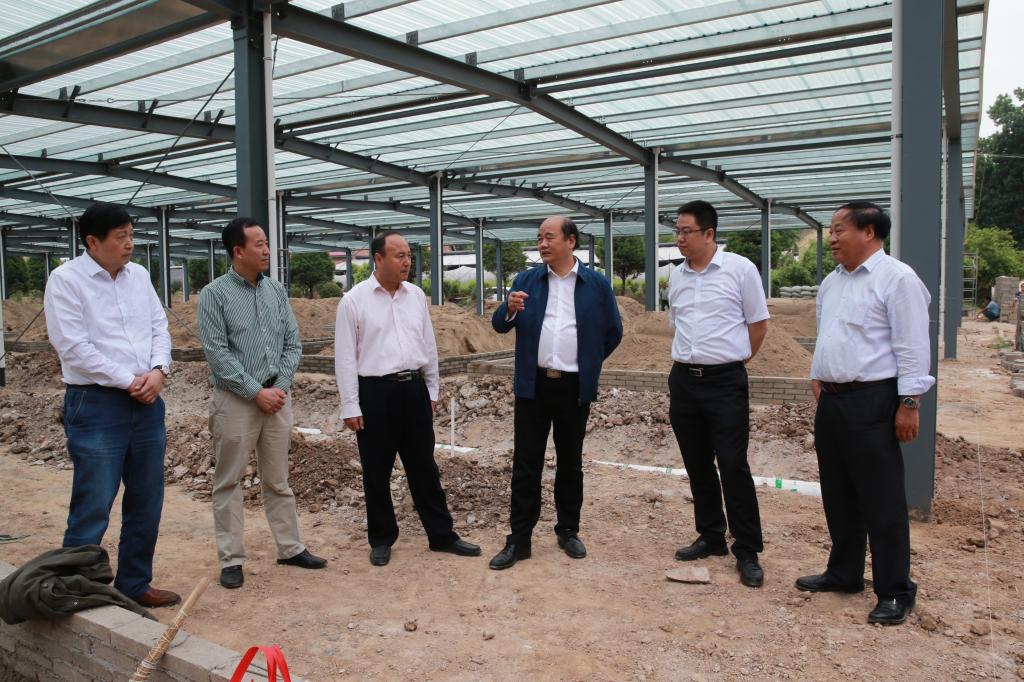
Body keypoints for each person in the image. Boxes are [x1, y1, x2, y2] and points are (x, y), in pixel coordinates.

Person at [802, 201, 934, 626]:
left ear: (870, 232)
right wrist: (818, 374)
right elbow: (827, 332)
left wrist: (909, 403)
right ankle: (844, 573)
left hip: (873, 400)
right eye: (831, 230)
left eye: (839, 229)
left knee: (881, 500)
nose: (832, 238)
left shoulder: (897, 279)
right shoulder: (832, 282)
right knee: (838, 492)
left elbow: (912, 346)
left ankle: (895, 591)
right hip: (833, 401)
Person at [43, 202, 179, 608]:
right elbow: (73, 346)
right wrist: (129, 380)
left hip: (147, 402)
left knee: (146, 498)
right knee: (94, 500)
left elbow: (159, 326)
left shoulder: (139, 276)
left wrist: (159, 370)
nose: (129, 244)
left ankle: (134, 582)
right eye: (121, 237)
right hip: (97, 402)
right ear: (92, 242)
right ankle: (77, 588)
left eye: (131, 235)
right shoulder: (66, 280)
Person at [334, 231, 481, 566]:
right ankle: (381, 538)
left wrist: (432, 388)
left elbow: (428, 344)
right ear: (378, 259)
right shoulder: (353, 301)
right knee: (376, 471)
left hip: (414, 391)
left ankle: (442, 535)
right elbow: (345, 358)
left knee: (424, 467)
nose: (407, 262)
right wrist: (350, 404)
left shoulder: (415, 296)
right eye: (399, 256)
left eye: (408, 256)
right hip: (375, 393)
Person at [198, 218, 326, 589]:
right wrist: (256, 391)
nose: (267, 250)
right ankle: (232, 559)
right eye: (259, 244)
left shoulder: (276, 291)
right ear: (238, 251)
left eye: (266, 243)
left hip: (277, 399)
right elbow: (217, 354)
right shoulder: (214, 295)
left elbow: (293, 344)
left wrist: (279, 387)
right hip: (236, 401)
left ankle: (290, 548)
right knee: (229, 481)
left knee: (278, 479)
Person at [488, 217, 622, 570]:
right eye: (539, 238)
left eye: (549, 237)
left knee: (570, 463)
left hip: (573, 387)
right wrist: (509, 308)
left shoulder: (596, 284)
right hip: (532, 386)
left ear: (571, 241)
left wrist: (588, 363)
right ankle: (519, 540)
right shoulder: (527, 280)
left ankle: (568, 530)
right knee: (526, 464)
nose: (542, 244)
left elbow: (614, 332)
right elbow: (499, 325)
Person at [666, 200, 769, 589]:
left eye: (686, 231)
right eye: (677, 231)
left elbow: (758, 324)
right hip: (684, 380)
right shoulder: (677, 276)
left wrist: (734, 361)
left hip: (725, 382)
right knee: (697, 463)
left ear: (709, 233)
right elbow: (677, 324)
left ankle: (747, 549)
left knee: (732, 462)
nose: (680, 238)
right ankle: (711, 535)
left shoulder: (740, 269)